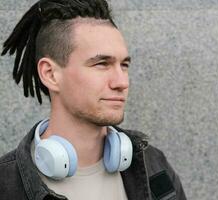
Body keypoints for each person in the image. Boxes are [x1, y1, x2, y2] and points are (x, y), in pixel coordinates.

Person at [0, 0, 186, 200]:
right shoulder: (6, 185)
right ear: (51, 74)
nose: (121, 82)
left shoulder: (153, 165)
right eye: (101, 64)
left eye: (124, 65)